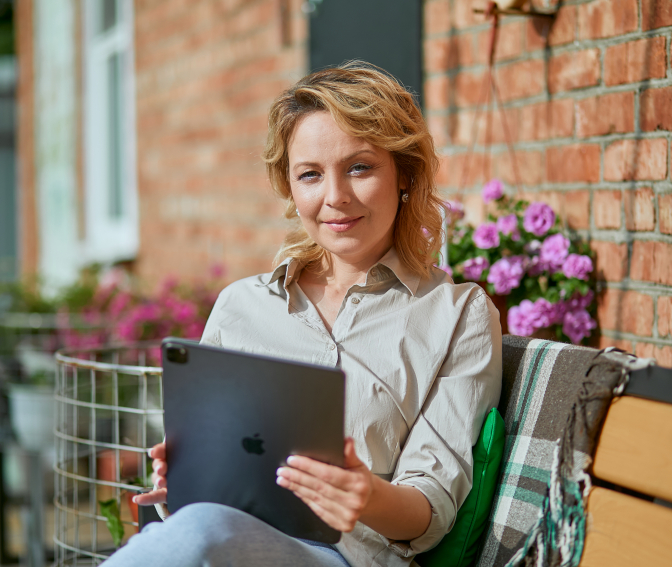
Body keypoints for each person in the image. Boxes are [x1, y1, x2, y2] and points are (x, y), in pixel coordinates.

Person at [104, 61, 502, 567]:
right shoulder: (240, 305)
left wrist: (367, 495)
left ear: (403, 172)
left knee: (200, 533)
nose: (334, 198)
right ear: (290, 189)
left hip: (344, 557)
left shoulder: (457, 315)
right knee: (196, 529)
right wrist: (185, 474)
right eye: (310, 175)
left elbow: (432, 507)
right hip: (223, 539)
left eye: (359, 167)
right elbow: (212, 477)